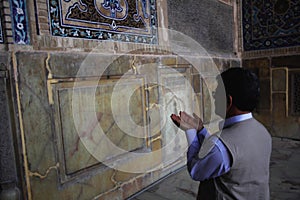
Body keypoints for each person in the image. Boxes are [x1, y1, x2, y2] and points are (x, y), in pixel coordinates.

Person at [171, 67, 272, 200]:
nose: (214, 99)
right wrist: (201, 131)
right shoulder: (262, 131)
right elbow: (220, 154)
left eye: (216, 94)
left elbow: (197, 170)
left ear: (228, 101)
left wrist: (190, 131)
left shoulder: (220, 147)